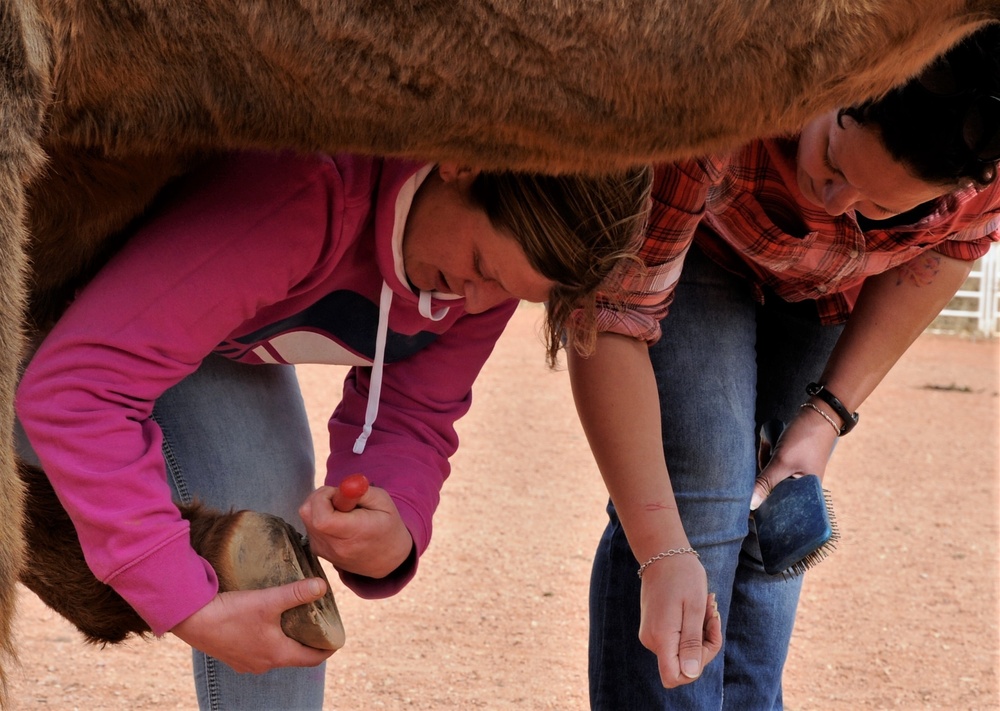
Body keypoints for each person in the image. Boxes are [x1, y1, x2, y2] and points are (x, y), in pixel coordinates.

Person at [14, 150, 653, 710]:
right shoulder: (308, 196)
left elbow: (416, 413)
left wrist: (393, 525)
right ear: (461, 164)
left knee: (270, 543)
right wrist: (186, 604)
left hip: (194, 332)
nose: (479, 303)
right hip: (40, 309)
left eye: (510, 293)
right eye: (483, 266)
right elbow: (74, 393)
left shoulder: (481, 282)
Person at [571, 23, 1000, 709]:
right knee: (699, 499)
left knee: (778, 529)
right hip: (701, 246)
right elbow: (610, 315)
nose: (831, 201)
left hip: (834, 289)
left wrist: (826, 416)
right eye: (831, 158)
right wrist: (659, 548)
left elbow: (953, 247)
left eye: (876, 205)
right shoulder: (721, 93)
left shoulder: (983, 176)